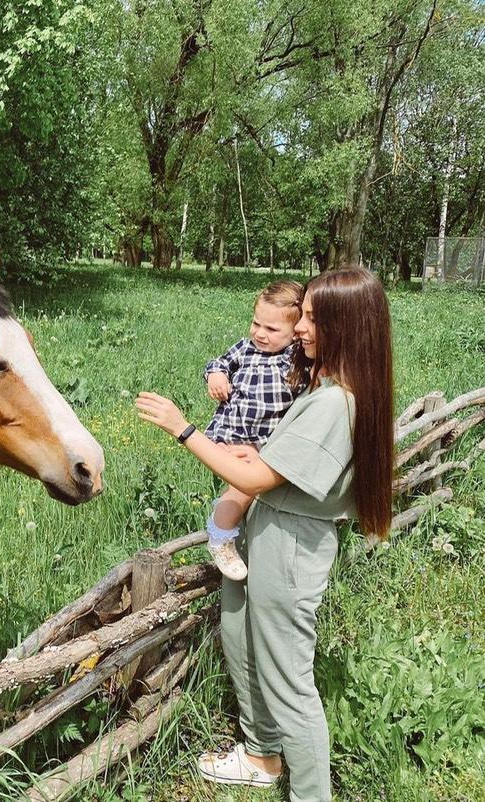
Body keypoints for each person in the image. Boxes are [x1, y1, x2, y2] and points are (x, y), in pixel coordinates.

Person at [135, 266, 393, 802]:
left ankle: (311, 794)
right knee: (241, 635)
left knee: (288, 681)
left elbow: (254, 480)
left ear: (347, 326)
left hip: (291, 544)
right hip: (268, 526)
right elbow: (276, 466)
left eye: (314, 318)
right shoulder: (327, 389)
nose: (300, 326)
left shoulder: (333, 402)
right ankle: (260, 755)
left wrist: (183, 428)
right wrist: (261, 456)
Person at [203, 280, 308, 581]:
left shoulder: (297, 358)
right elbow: (217, 363)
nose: (260, 333)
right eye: (256, 323)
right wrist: (217, 376)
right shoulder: (245, 349)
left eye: (272, 329)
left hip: (266, 441)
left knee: (253, 488)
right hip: (232, 433)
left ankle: (238, 531)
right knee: (243, 486)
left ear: (295, 330)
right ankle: (220, 536)